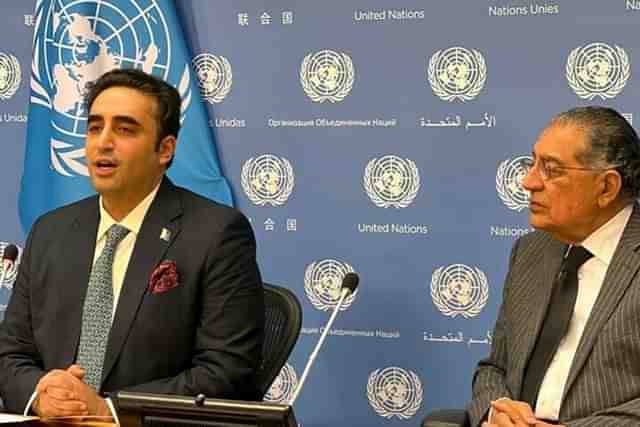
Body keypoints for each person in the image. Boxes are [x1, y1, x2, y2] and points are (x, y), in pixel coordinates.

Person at [0, 68, 264, 420]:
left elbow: (226, 370)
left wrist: (109, 408)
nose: (103, 142)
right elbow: (10, 353)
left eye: (125, 129)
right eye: (95, 127)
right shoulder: (50, 231)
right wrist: (41, 393)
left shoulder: (216, 233)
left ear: (165, 149)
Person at [469, 106, 640, 427]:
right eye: (532, 163)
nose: (528, 181)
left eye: (551, 169)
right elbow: (494, 367)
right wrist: (496, 410)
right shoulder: (530, 251)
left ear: (606, 188)